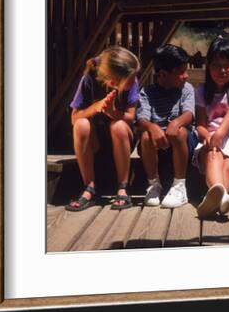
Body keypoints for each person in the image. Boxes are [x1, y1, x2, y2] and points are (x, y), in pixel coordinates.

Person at [66, 46, 140, 211]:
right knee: (81, 124)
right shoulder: (89, 79)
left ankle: (123, 187)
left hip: (121, 139)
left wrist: (113, 112)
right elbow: (74, 117)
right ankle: (89, 188)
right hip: (96, 140)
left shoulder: (132, 80)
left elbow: (130, 117)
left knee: (119, 126)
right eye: (131, 79)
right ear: (113, 81)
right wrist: (96, 107)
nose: (135, 80)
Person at [192, 36, 229, 218]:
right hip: (209, 137)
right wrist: (208, 136)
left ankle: (218, 198)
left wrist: (219, 136)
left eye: (227, 65)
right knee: (213, 155)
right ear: (208, 65)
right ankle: (223, 198)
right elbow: (200, 124)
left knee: (228, 165)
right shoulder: (201, 90)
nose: (222, 70)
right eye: (216, 65)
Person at [135, 44, 197, 208]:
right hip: (156, 145)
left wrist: (175, 123)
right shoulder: (147, 92)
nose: (186, 76)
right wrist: (153, 127)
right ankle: (154, 184)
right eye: (181, 72)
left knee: (179, 132)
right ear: (163, 74)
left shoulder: (187, 89)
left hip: (181, 143)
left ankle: (179, 186)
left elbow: (189, 114)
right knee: (146, 135)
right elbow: (141, 119)